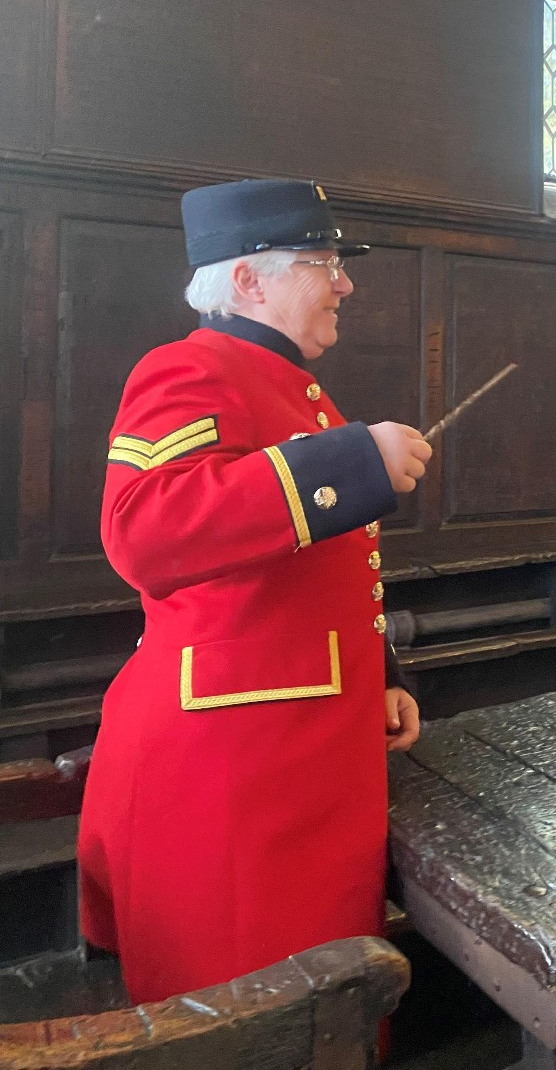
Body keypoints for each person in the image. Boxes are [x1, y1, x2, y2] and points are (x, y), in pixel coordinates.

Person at [77, 178, 432, 1004]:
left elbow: (306, 571)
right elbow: (145, 530)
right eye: (324, 262)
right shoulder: (188, 368)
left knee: (314, 996)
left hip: (294, 748)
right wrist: (351, 462)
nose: (344, 282)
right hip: (235, 773)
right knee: (250, 1001)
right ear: (247, 280)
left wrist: (380, 676)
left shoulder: (293, 386)